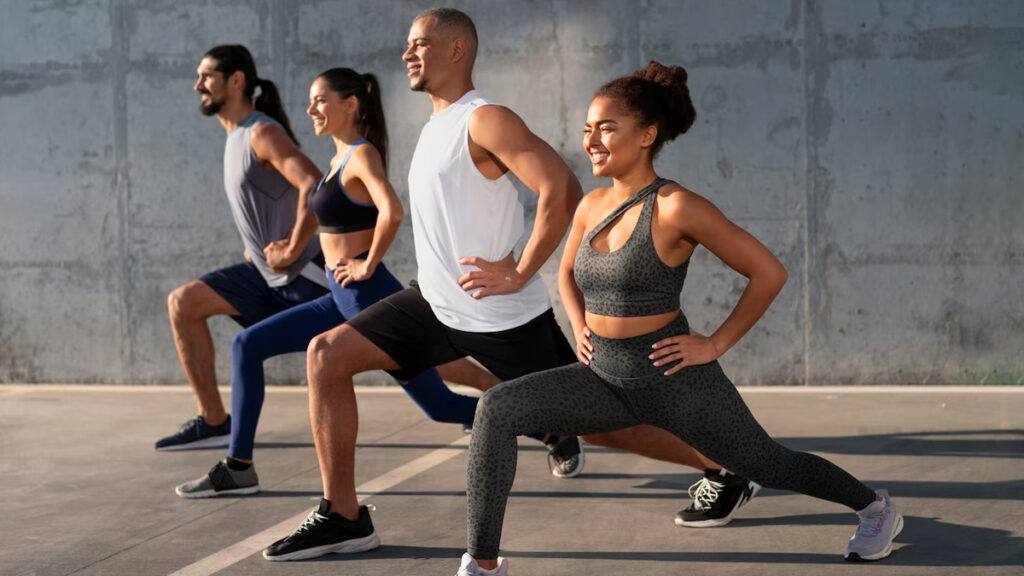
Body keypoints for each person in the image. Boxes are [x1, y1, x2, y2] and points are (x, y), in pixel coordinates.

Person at [263, 8, 756, 563]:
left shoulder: (485, 119)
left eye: (419, 43)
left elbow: (560, 188)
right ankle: (343, 516)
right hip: (434, 304)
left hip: (503, 318)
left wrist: (520, 270)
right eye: (407, 45)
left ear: (456, 50)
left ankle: (726, 465)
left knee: (602, 428)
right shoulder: (433, 127)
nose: (407, 54)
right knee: (326, 355)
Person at [454, 61, 903, 575]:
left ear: (646, 135)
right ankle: (483, 564)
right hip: (603, 376)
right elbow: (566, 277)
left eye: (606, 127)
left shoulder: (674, 206)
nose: (592, 139)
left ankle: (875, 509)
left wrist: (714, 345)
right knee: (496, 408)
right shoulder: (590, 204)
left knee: (768, 464)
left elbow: (768, 272)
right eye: (587, 129)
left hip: (674, 379)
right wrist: (579, 325)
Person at [173, 67, 500, 499]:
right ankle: (239, 466)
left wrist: (367, 265)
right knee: (247, 345)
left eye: (320, 100)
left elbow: (393, 211)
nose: (311, 109)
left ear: (350, 105)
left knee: (440, 407)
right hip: (340, 299)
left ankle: (545, 426)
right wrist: (286, 249)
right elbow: (316, 209)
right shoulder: (336, 159)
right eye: (310, 101)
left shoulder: (362, 154)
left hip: (371, 300)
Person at [157, 44, 329, 451]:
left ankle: (487, 392)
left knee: (405, 359)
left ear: (236, 81)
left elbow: (316, 185)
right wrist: (257, 248)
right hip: (265, 277)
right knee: (183, 303)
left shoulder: (261, 132)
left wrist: (290, 248)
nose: (197, 84)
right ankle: (215, 421)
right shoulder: (235, 135)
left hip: (306, 278)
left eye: (207, 76)